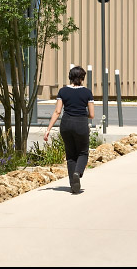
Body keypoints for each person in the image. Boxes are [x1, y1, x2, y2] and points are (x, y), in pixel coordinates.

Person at [43, 65, 95, 194]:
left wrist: (48, 129)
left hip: (66, 124)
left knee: (70, 155)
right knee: (83, 152)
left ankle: (73, 185)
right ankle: (78, 173)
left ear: (70, 77)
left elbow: (57, 111)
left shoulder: (63, 91)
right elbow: (92, 114)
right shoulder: (87, 92)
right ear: (82, 78)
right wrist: (84, 115)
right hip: (81, 124)